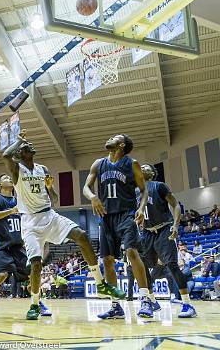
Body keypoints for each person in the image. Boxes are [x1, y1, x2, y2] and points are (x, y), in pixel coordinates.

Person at [2, 129, 124, 320]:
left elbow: (55, 199)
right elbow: (5, 155)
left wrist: (50, 188)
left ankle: (100, 284)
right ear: (19, 153)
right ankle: (34, 304)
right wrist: (18, 141)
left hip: (49, 215)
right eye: (26, 146)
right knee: (36, 265)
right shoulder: (17, 169)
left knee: (82, 236)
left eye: (29, 145)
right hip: (30, 222)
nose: (30, 145)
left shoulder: (43, 170)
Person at [83, 134, 154, 319]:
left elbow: (144, 189)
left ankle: (146, 299)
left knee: (131, 252)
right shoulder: (98, 164)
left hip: (126, 214)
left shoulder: (132, 163)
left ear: (121, 145)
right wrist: (92, 197)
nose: (109, 138)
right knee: (107, 260)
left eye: (114, 137)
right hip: (105, 217)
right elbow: (86, 187)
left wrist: (141, 208)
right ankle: (115, 306)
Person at [0, 174, 50, 318]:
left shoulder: (21, 201)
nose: (9, 178)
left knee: (33, 274)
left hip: (19, 247)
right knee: (2, 275)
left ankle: (37, 303)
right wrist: (11, 211)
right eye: (5, 177)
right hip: (1, 246)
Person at [140, 164, 197, 318]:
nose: (142, 167)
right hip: (146, 232)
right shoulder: (135, 191)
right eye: (141, 166)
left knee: (172, 265)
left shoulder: (159, 186)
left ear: (152, 173)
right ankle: (150, 301)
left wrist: (176, 225)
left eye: (146, 167)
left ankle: (187, 304)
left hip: (164, 229)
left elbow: (176, 205)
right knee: (142, 266)